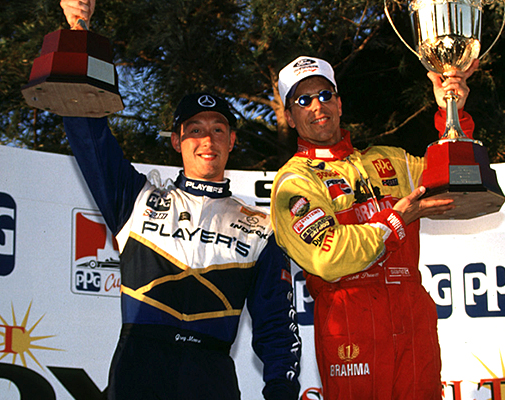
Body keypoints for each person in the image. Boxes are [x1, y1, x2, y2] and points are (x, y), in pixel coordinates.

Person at [59, 3, 300, 399]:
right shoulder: (135, 199)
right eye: (195, 130)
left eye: (219, 129)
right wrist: (78, 30)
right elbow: (89, 132)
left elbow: (276, 325)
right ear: (176, 141)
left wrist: (281, 390)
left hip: (211, 377)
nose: (207, 140)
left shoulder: (261, 227)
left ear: (232, 141)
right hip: (139, 369)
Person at [269, 55, 477, 399]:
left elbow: (457, 180)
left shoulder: (391, 160)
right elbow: (328, 255)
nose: (317, 106)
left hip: (412, 316)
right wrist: (395, 222)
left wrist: (451, 114)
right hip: (349, 318)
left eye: (324, 95)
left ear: (339, 103)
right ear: (290, 117)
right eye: (303, 100)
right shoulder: (295, 180)